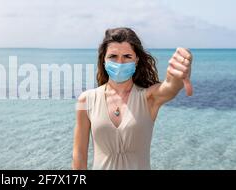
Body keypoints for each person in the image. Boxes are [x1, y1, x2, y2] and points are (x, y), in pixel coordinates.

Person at [72, 27, 193, 170]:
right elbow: (79, 155)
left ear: (136, 60)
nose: (120, 63)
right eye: (113, 57)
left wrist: (182, 67)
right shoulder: (87, 100)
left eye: (127, 56)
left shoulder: (149, 98)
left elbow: (171, 86)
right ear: (103, 60)